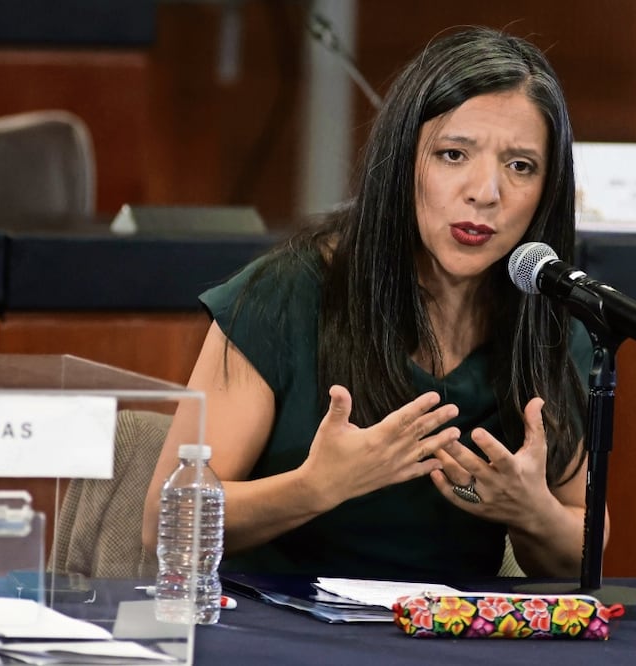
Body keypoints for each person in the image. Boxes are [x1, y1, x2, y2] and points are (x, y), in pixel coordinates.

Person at [141, 26, 608, 580]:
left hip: (449, 640)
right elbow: (164, 523)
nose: (486, 192)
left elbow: (579, 553)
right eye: (454, 154)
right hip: (274, 632)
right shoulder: (286, 293)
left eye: (520, 166)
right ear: (402, 162)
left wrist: (533, 513)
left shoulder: (553, 322)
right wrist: (316, 487)